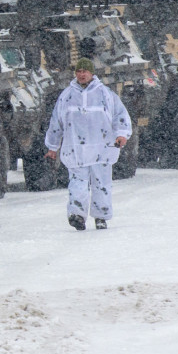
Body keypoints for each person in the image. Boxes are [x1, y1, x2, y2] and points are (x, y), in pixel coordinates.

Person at [44, 58, 132, 231]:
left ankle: (101, 216)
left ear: (92, 73)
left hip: (102, 148)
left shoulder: (105, 94)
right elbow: (56, 122)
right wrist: (52, 146)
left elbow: (120, 115)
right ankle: (77, 215)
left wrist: (122, 134)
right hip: (76, 149)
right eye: (78, 71)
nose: (81, 74)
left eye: (85, 71)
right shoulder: (66, 96)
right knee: (77, 183)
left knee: (102, 183)